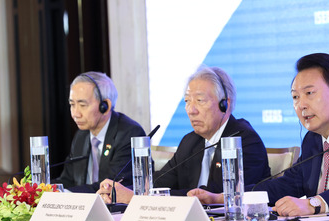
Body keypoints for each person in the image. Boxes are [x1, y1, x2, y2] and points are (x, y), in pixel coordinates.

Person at [190, 53, 329, 217]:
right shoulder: (313, 139)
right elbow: (285, 185)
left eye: (309, 93)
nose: (301, 105)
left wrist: (312, 204)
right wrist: (223, 198)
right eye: (295, 97)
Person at [97, 66, 271, 203]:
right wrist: (122, 191)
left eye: (200, 101)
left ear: (224, 104)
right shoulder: (190, 141)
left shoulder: (244, 140)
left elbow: (213, 195)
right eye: (187, 101)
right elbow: (160, 182)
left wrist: (140, 198)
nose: (190, 110)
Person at [53, 71, 146, 192]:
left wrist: (67, 194)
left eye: (82, 105)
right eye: (72, 104)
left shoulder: (129, 134)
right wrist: (43, 190)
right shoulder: (81, 136)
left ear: (105, 106)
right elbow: (67, 180)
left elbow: (109, 186)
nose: (75, 113)